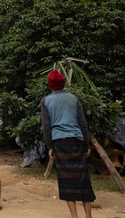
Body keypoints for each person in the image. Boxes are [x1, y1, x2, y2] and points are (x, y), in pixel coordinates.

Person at [40, 69, 95, 218]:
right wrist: (87, 145)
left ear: (50, 85)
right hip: (77, 140)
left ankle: (74, 216)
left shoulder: (45, 101)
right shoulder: (74, 98)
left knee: (66, 181)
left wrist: (50, 146)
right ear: (63, 84)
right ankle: (89, 216)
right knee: (83, 179)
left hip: (60, 143)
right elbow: (83, 123)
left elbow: (46, 126)